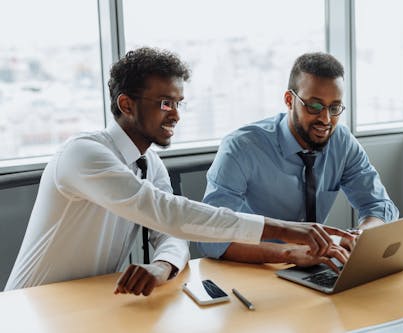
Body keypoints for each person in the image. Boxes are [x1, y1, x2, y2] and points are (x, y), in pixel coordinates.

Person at [5, 48, 353, 296]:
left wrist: (162, 267)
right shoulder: (83, 154)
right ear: (126, 104)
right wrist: (291, 231)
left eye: (178, 103)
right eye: (164, 103)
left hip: (86, 302)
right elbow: (170, 213)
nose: (175, 114)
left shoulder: (149, 164)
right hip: (31, 306)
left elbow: (172, 234)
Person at [195, 52, 399, 268]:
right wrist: (289, 253)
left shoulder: (342, 141)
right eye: (315, 106)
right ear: (289, 100)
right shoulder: (242, 147)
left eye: (334, 108)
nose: (326, 119)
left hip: (315, 266)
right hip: (256, 268)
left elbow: (379, 205)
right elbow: (211, 236)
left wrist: (360, 237)